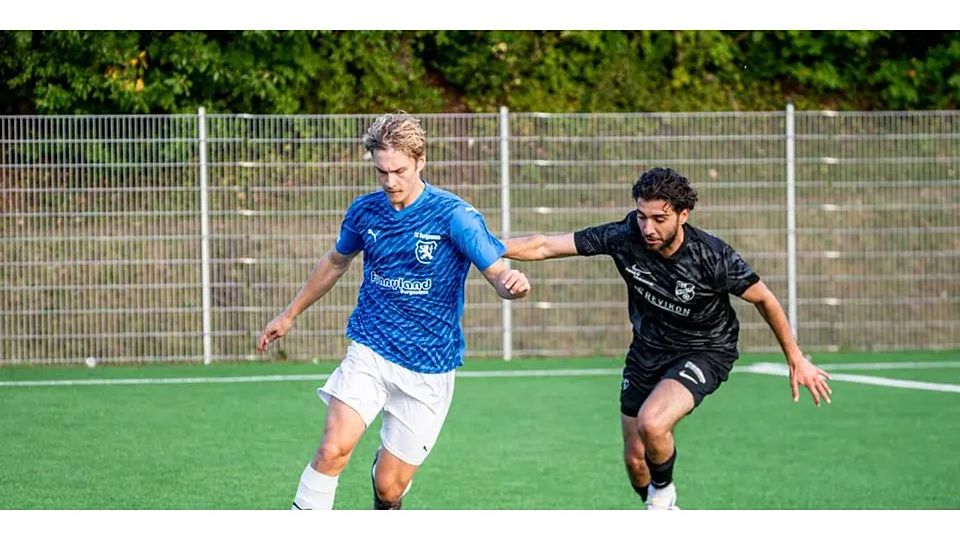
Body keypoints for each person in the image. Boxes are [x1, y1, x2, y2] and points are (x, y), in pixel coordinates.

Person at [502, 167, 831, 510]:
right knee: (635, 459)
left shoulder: (712, 256)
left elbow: (765, 298)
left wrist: (796, 357)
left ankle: (663, 496)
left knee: (653, 422)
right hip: (647, 350)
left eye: (659, 218)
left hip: (705, 349)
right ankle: (661, 508)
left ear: (683, 214)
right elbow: (543, 246)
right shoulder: (625, 235)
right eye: (642, 216)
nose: (648, 228)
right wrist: (479, 248)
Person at [257, 112, 530, 510]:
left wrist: (512, 286)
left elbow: (498, 274)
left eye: (399, 171)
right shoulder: (365, 211)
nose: (390, 182)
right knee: (333, 448)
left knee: (389, 488)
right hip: (370, 347)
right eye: (381, 171)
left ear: (421, 161)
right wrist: (290, 313)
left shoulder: (456, 216)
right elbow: (335, 262)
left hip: (429, 367)